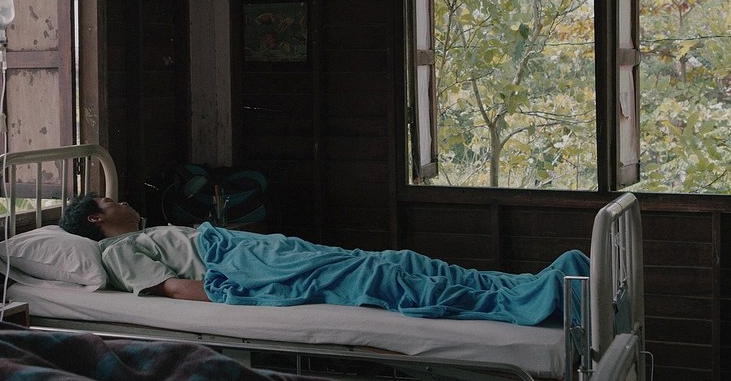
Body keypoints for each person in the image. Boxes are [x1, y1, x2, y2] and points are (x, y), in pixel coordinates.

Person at [59, 194, 590, 326]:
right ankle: (532, 303)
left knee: (398, 259)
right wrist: (237, 293)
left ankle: (530, 286)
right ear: (96, 219)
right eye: (108, 201)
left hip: (254, 249)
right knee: (374, 275)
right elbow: (171, 288)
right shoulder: (117, 250)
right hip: (242, 266)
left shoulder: (145, 231)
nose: (120, 200)